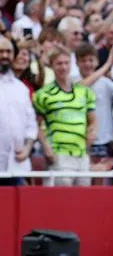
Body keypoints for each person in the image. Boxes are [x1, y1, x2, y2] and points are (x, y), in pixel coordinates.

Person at [34, 48, 97, 186]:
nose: (63, 67)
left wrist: (92, 131)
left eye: (66, 63)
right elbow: (35, 125)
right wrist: (46, 147)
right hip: (58, 154)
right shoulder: (43, 94)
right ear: (51, 66)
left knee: (83, 200)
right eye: (59, 63)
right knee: (59, 201)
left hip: (81, 154)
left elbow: (92, 120)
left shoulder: (85, 92)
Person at [0, 37, 37, 186]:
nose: (4, 56)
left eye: (8, 52)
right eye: (0, 51)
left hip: (16, 165)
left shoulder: (20, 88)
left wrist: (28, 148)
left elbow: (31, 124)